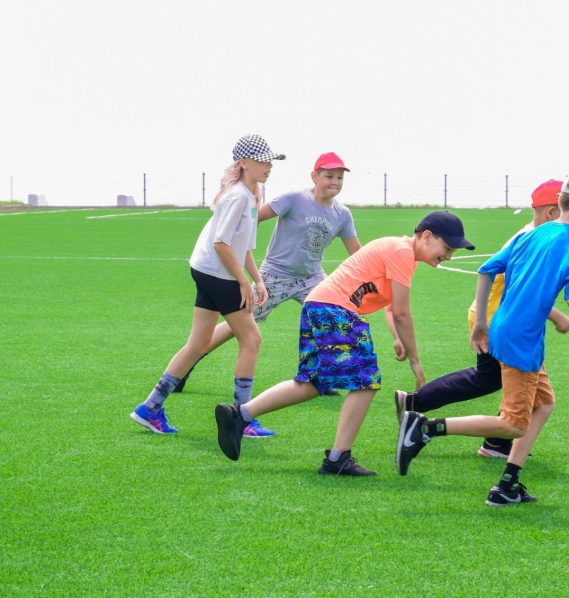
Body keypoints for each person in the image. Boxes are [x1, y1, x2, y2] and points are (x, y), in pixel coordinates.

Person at [396, 172, 569, 506]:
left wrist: (481, 322)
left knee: (544, 404)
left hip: (502, 328)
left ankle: (507, 484)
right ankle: (425, 428)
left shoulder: (531, 234)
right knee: (513, 425)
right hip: (522, 340)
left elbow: (486, 270)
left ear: (560, 201)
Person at [214, 211, 476, 476]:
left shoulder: (399, 251)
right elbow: (401, 313)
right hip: (336, 310)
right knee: (365, 382)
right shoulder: (402, 252)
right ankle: (338, 458)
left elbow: (391, 308)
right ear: (427, 236)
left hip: (319, 305)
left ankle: (239, 415)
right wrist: (415, 361)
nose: (448, 256)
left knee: (313, 382)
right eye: (447, 248)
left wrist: (398, 338)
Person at [172, 152, 362, 435]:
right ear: (314, 176)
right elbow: (249, 221)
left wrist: (368, 275)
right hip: (275, 276)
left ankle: (321, 375)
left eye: (339, 178)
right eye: (328, 176)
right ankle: (189, 362)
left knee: (332, 316)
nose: (334, 182)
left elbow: (356, 253)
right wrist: (240, 258)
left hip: (311, 278)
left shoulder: (342, 214)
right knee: (238, 326)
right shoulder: (293, 199)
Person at [393, 180, 569, 458]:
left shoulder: (533, 236)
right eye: (568, 211)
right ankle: (420, 409)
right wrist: (556, 315)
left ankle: (495, 442)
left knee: (504, 382)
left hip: (498, 318)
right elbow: (522, 290)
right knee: (492, 380)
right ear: (551, 212)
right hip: (497, 320)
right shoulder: (532, 241)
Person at [130, 134, 285, 436]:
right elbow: (221, 243)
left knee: (199, 344)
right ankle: (241, 418)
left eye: (271, 161)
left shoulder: (251, 195)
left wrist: (257, 279)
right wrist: (243, 282)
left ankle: (150, 408)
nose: (269, 166)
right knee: (252, 339)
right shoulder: (238, 196)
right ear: (243, 163)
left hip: (208, 270)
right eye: (263, 160)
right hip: (217, 273)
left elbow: (243, 246)